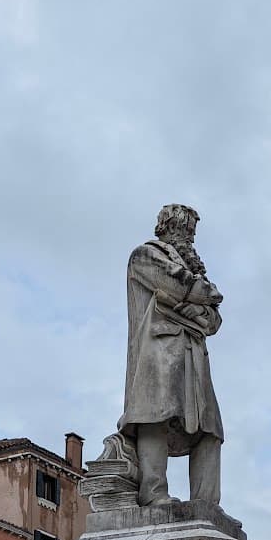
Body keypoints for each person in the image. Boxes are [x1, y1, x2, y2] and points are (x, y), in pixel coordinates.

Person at [118, 204, 225, 507]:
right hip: (158, 350)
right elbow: (181, 286)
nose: (188, 236)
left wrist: (197, 308)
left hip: (194, 356)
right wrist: (201, 300)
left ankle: (207, 504)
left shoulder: (194, 269)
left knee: (211, 428)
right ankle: (153, 493)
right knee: (155, 415)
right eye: (182, 228)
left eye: (191, 230)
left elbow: (214, 321)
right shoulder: (144, 256)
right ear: (165, 228)